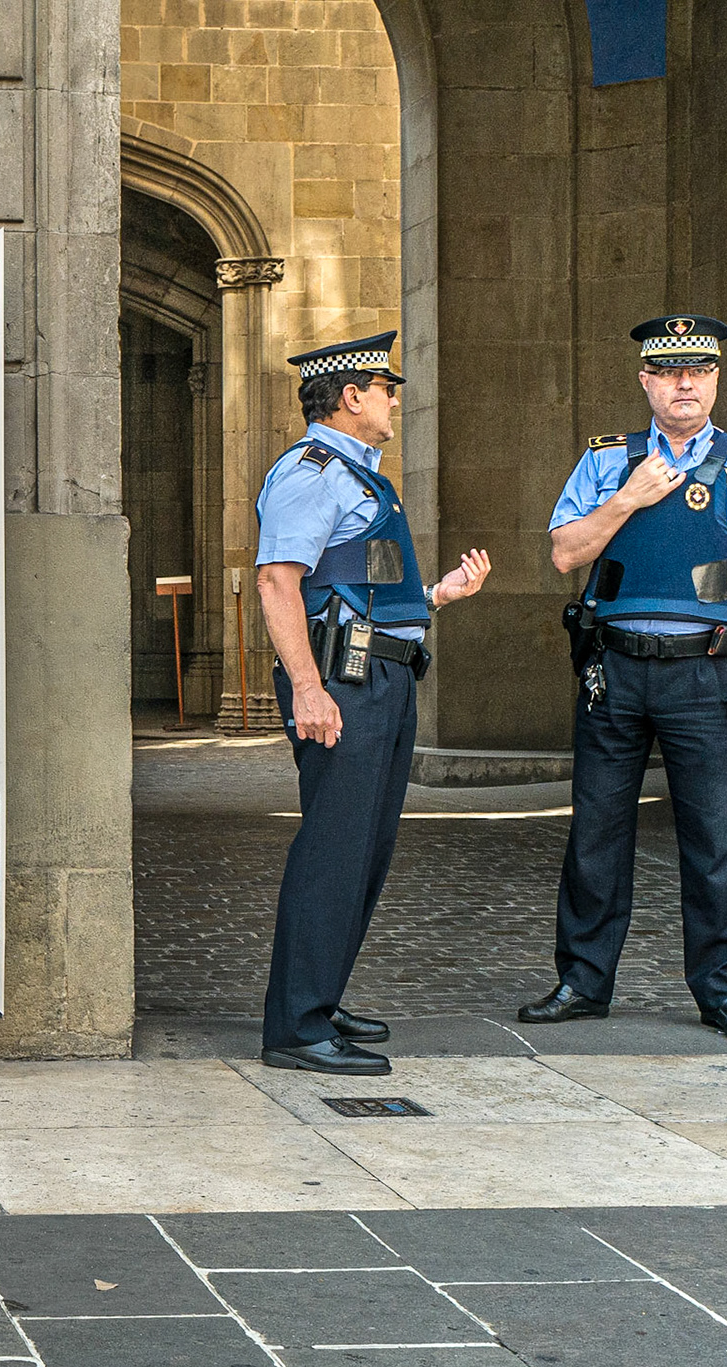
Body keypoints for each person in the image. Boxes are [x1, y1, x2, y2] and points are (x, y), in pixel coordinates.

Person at [519, 314, 727, 1047]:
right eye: (671, 372)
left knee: (715, 839)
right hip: (614, 672)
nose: (686, 384)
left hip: (704, 674)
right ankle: (583, 983)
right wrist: (629, 497)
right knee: (595, 833)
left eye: (700, 371)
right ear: (646, 381)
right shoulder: (607, 461)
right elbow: (565, 553)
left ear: (715, 380)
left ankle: (724, 993)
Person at [255, 332, 492, 1075]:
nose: (393, 402)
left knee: (365, 850)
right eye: (385, 389)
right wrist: (307, 688)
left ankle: (320, 997)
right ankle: (296, 1027)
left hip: (381, 675)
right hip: (342, 682)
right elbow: (276, 581)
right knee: (334, 847)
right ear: (351, 396)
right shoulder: (313, 471)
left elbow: (360, 586)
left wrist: (434, 597)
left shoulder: (364, 479)